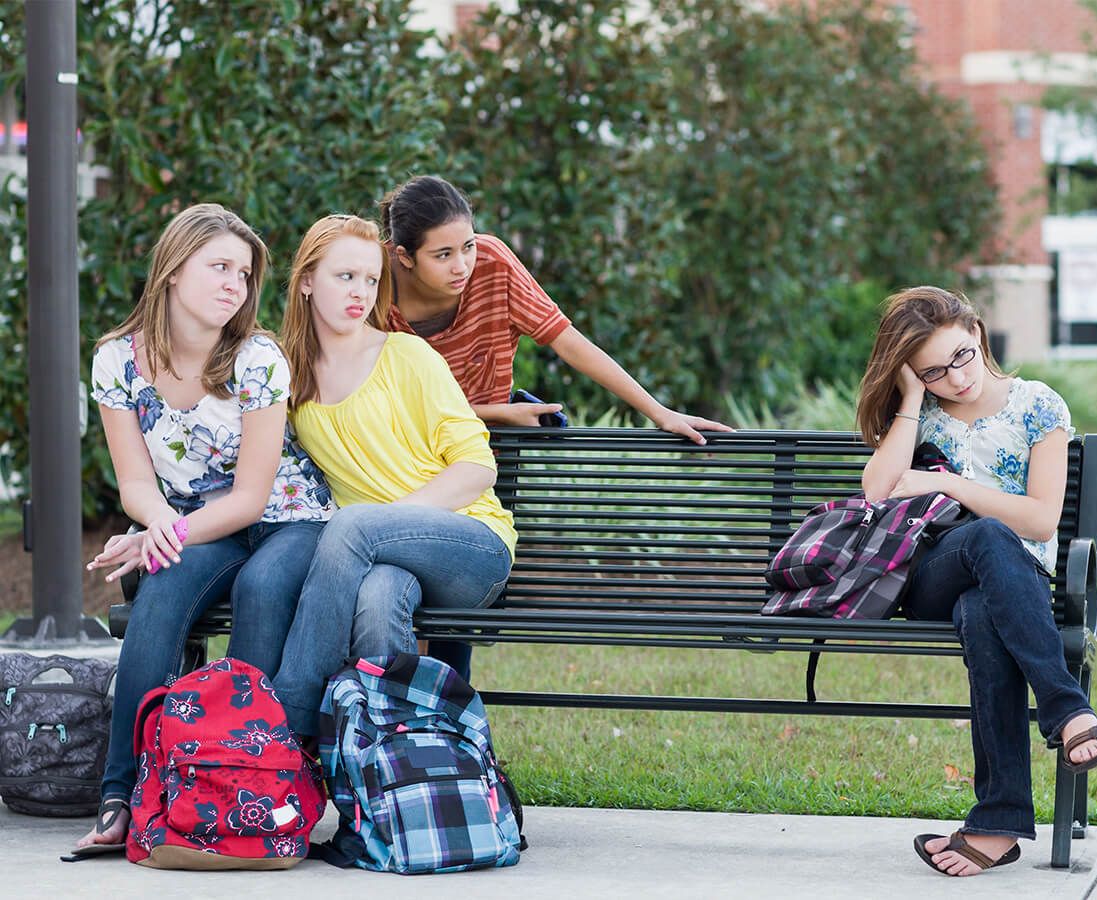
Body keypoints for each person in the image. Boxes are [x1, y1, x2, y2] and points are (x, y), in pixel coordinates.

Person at [76, 204, 335, 855]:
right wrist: (159, 527)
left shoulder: (256, 358)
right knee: (157, 596)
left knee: (264, 587)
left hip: (290, 521)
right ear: (171, 270)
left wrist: (161, 533)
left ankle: (238, 782)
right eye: (219, 266)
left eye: (244, 274)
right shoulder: (117, 361)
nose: (235, 285)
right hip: (199, 524)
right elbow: (135, 482)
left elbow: (252, 497)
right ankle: (123, 797)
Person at [856, 286, 1097, 878]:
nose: (955, 377)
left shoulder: (1037, 406)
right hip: (929, 579)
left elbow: (1038, 519)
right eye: (932, 370)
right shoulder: (919, 412)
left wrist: (948, 485)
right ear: (913, 374)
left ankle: (998, 823)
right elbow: (876, 492)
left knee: (986, 607)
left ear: (977, 334)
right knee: (984, 537)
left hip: (1011, 586)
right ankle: (1068, 710)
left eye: (961, 356)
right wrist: (907, 398)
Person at [271, 214, 516, 737]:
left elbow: (477, 467)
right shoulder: (287, 377)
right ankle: (387, 768)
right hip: (380, 560)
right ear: (307, 281)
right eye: (345, 277)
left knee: (352, 525)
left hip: (472, 546)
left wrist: (386, 522)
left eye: (371, 279)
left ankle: (284, 730)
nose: (361, 292)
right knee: (380, 598)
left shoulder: (406, 355)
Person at [379, 175, 732, 444]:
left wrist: (658, 412)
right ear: (404, 256)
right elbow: (375, 405)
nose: (462, 266)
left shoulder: (491, 264)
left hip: (481, 456)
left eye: (467, 246)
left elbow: (568, 343)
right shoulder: (372, 282)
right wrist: (497, 413)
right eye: (443, 255)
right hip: (398, 454)